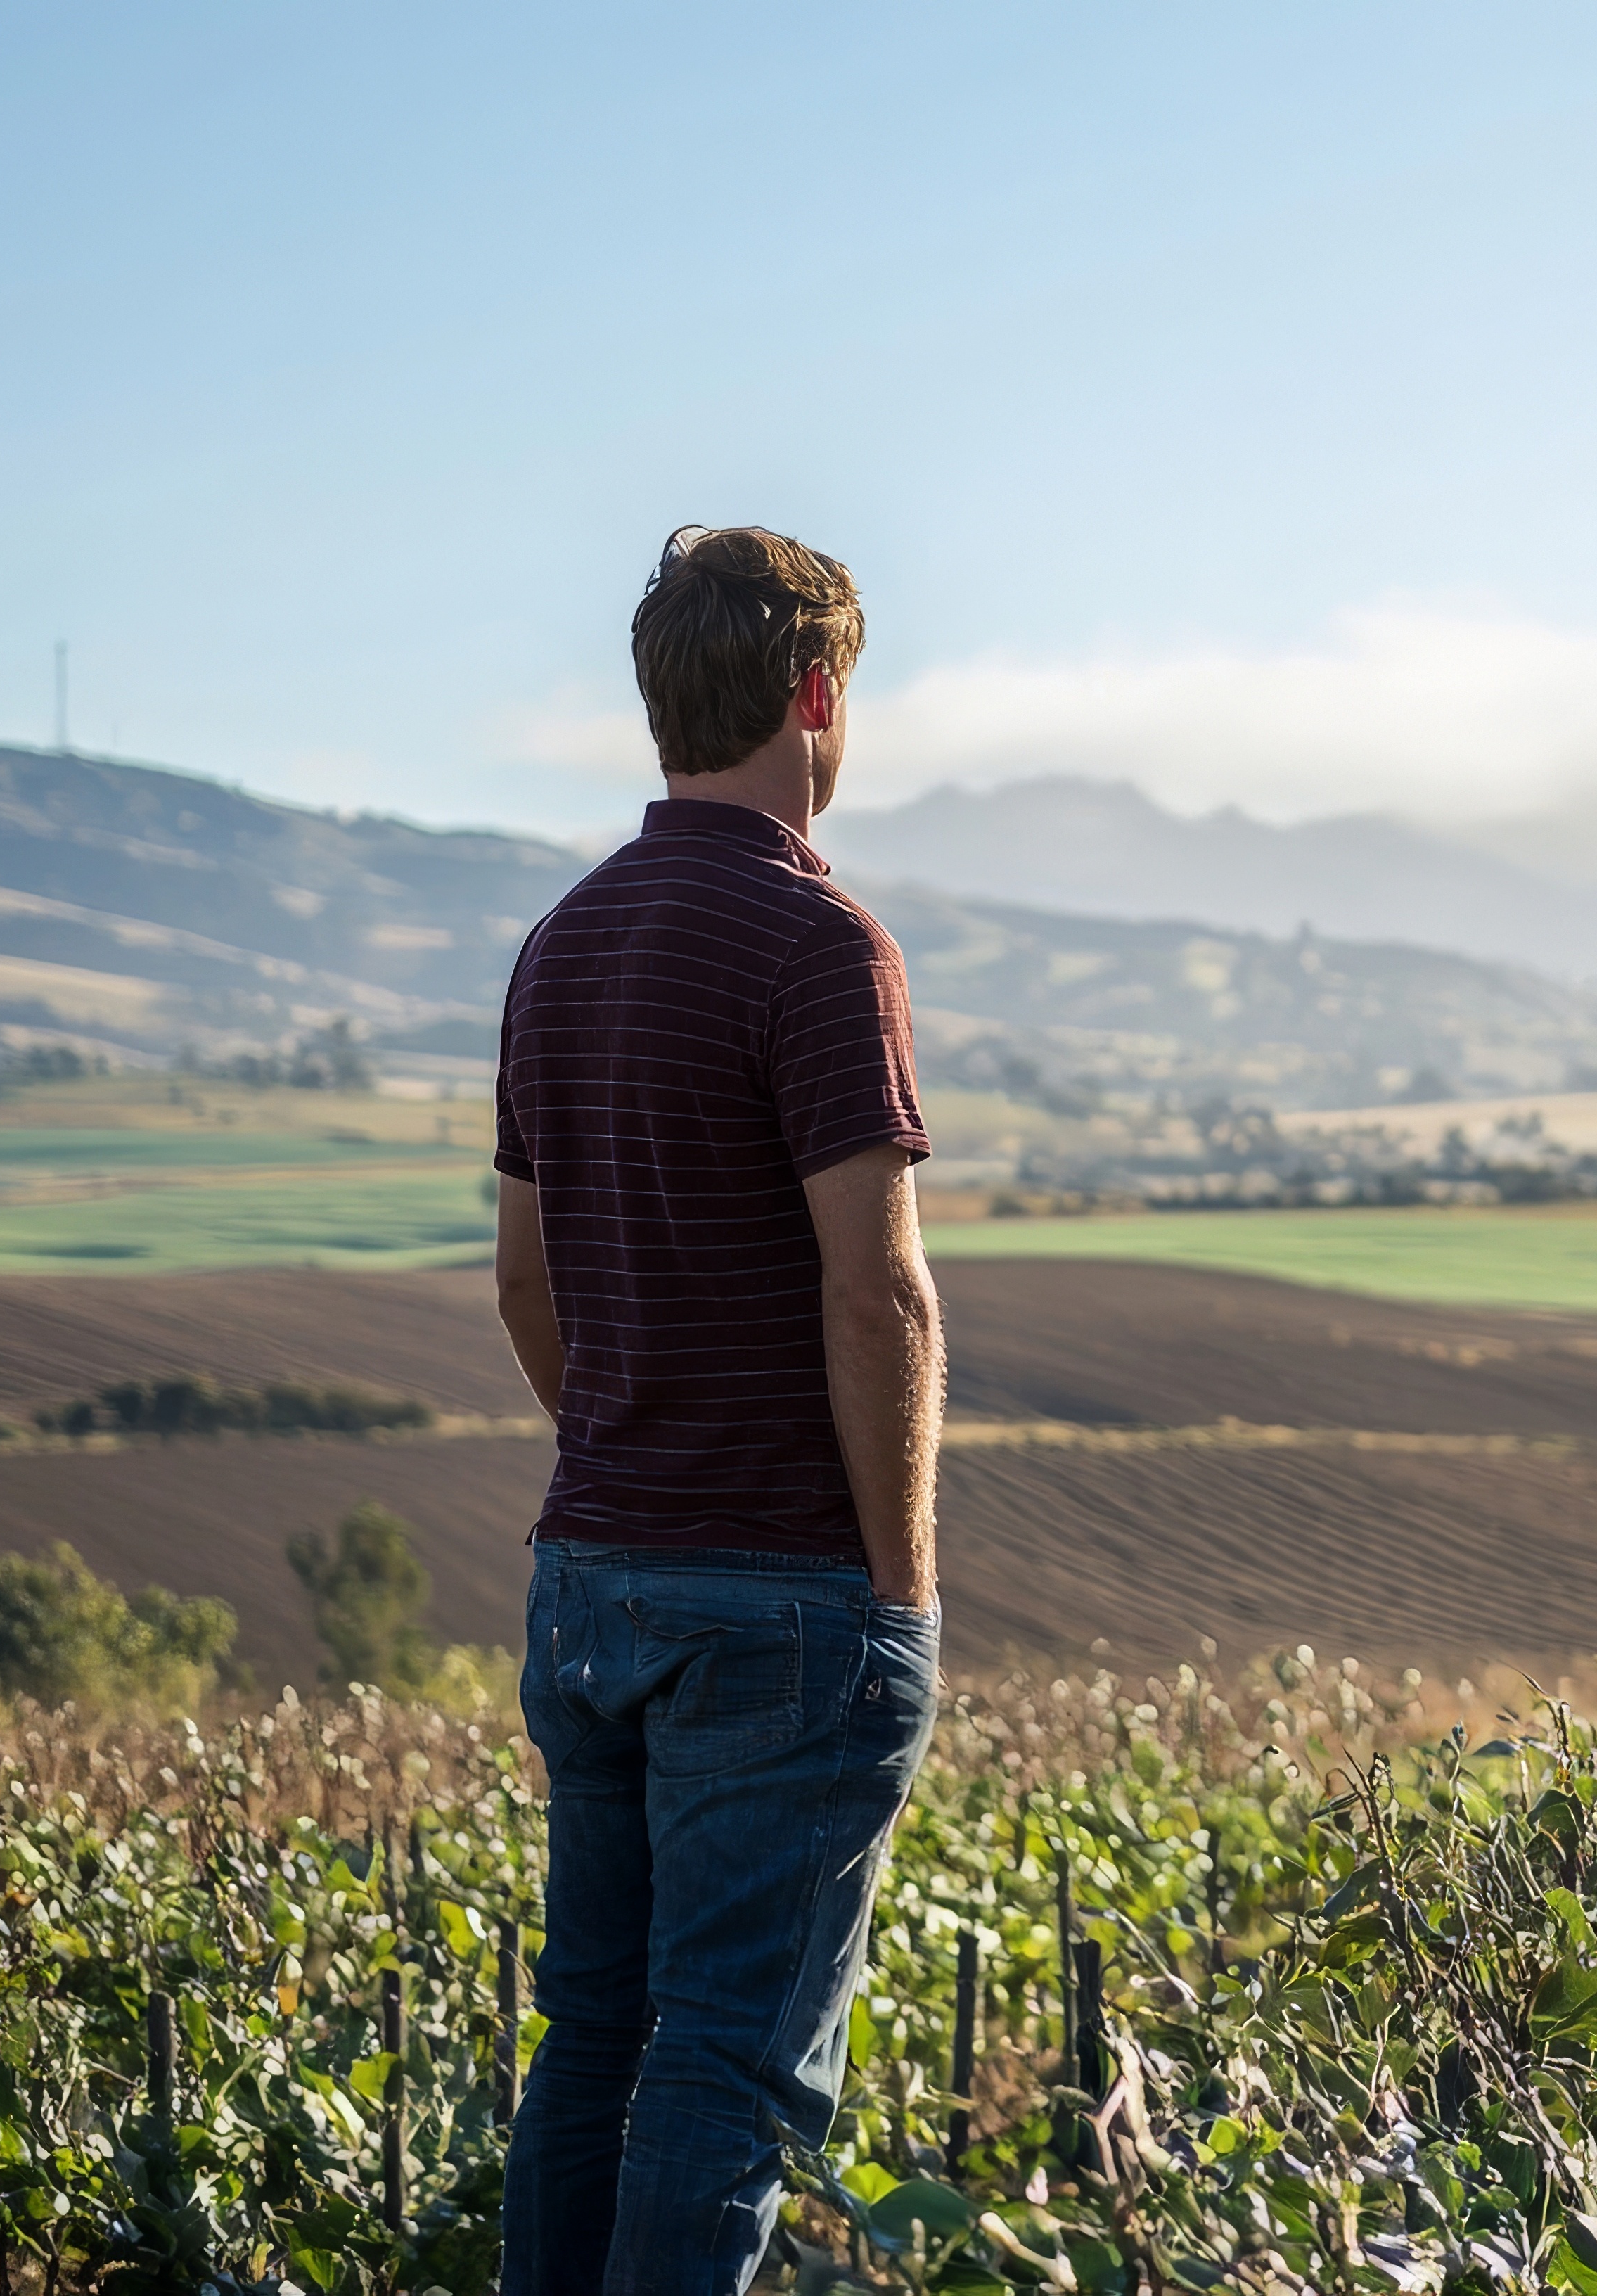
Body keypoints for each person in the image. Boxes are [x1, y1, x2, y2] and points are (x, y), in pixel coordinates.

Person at [490, 525, 945, 2292]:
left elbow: (523, 1283)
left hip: (587, 1576)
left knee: (593, 2037)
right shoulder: (816, 936)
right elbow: (878, 1287)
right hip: (781, 1597)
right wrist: (895, 1589)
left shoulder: (560, 939)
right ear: (816, 693)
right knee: (729, 2070)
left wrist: (624, 1444)